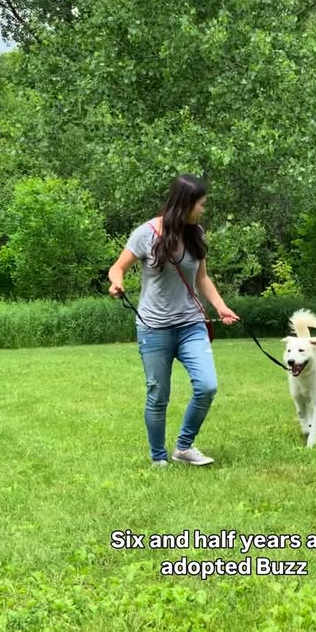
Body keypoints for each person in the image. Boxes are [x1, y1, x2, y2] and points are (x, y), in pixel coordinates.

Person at [108, 174, 239, 467]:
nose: (203, 210)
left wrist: (220, 306)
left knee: (207, 386)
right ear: (185, 204)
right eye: (200, 205)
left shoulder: (197, 234)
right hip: (154, 328)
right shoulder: (146, 234)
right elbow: (117, 268)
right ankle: (158, 458)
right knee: (158, 394)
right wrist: (117, 284)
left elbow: (203, 278)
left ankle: (183, 447)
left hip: (191, 324)